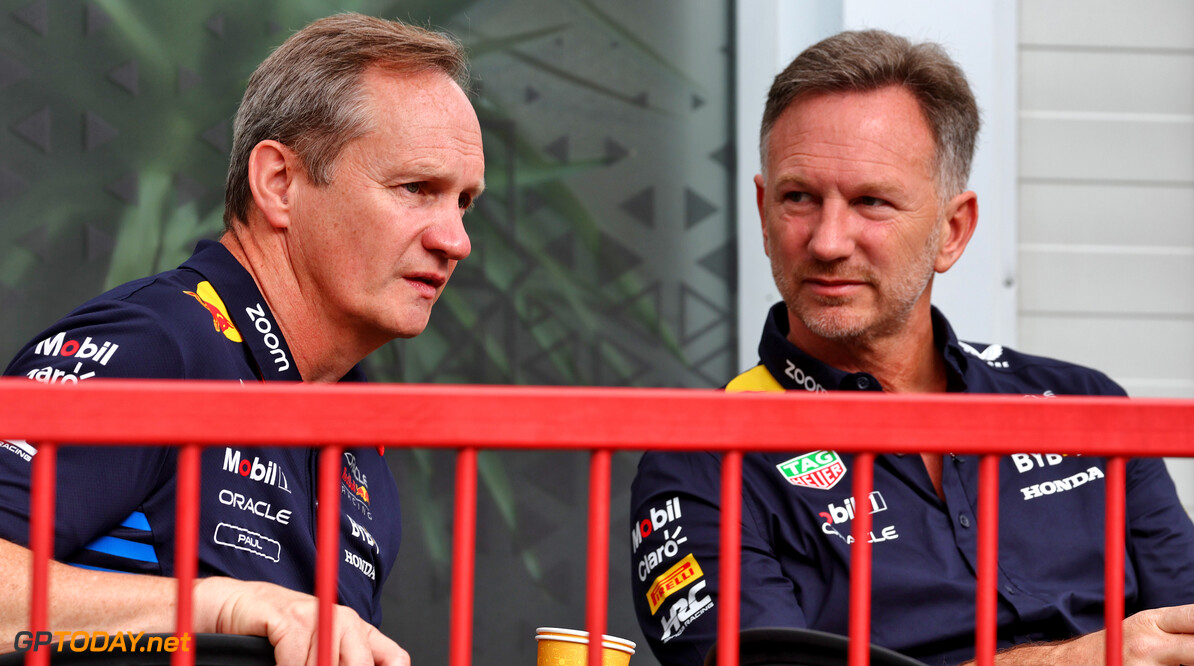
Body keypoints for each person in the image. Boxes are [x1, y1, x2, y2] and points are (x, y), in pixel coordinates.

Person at [629, 29, 1194, 666]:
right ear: (763, 212)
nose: (828, 241)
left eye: (871, 201)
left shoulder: (1085, 402)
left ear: (952, 231)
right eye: (799, 199)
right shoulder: (699, 460)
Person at [0, 12, 483, 666]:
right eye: (416, 188)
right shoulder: (159, 345)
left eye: (463, 203)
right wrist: (221, 606)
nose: (455, 241)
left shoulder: (360, 442)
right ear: (279, 184)